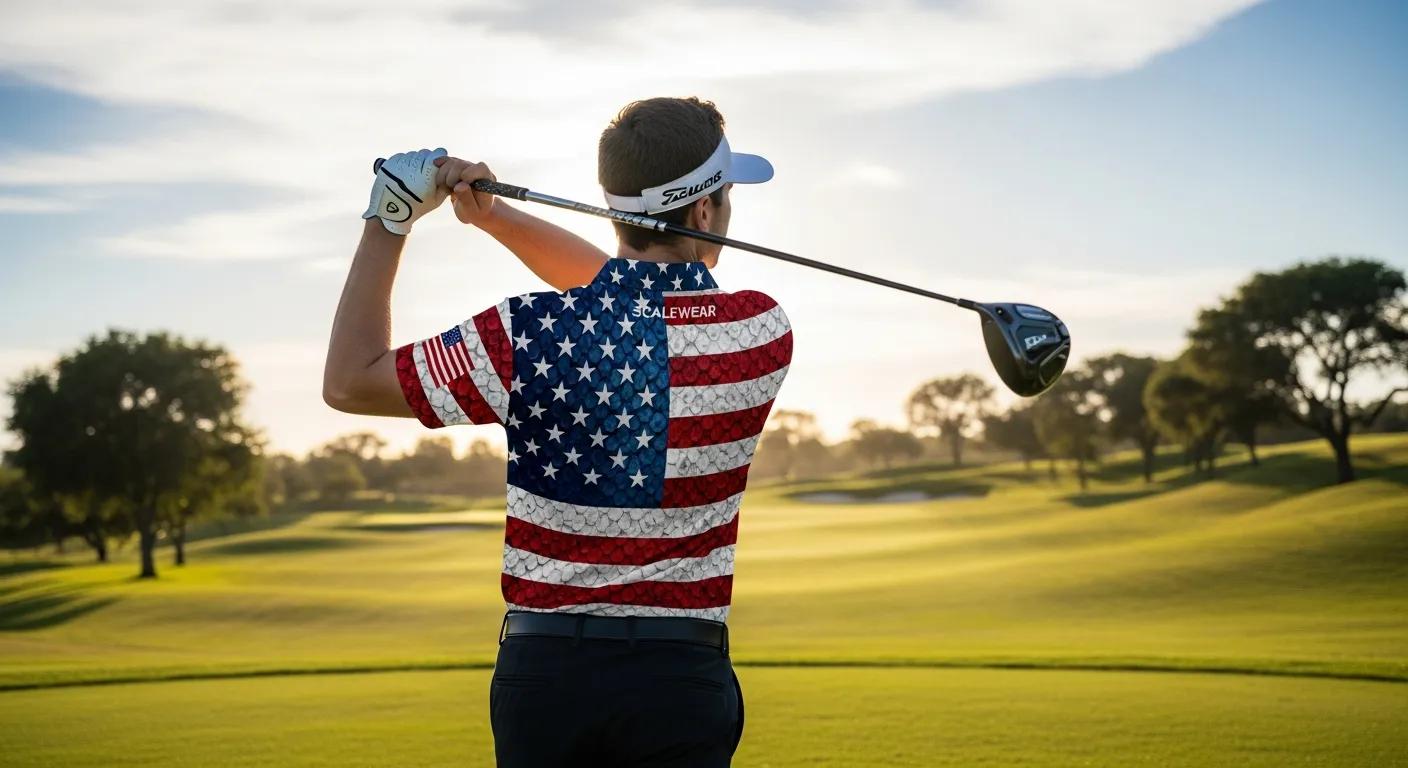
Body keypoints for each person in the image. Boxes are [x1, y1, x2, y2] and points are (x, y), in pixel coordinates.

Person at [323, 96, 791, 767]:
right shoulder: (760, 329)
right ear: (705, 211)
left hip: (544, 680)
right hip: (679, 681)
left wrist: (389, 216)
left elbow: (348, 380)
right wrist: (498, 219)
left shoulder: (526, 332)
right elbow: (629, 304)